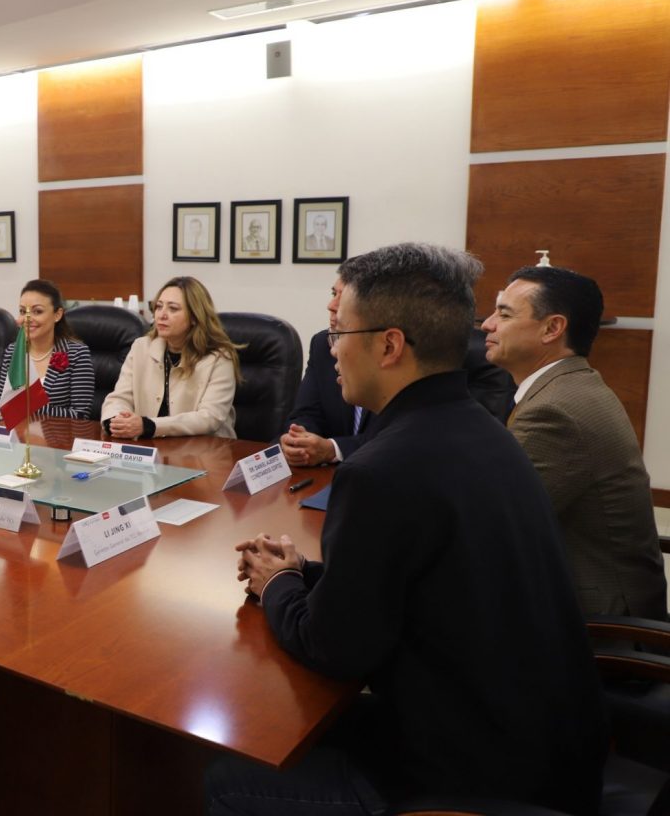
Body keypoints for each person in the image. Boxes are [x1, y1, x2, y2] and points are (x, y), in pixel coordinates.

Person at [215, 243, 606, 814]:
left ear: (389, 345)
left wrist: (276, 585)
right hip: (547, 748)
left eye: (340, 333)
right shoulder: (484, 430)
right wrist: (301, 571)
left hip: (469, 782)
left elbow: (334, 649)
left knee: (223, 771)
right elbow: (420, 581)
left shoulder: (382, 470)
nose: (331, 350)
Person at [483, 265, 666, 619]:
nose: (487, 325)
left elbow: (492, 522)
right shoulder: (571, 385)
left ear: (552, 328)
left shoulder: (556, 411)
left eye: (504, 314)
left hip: (600, 625)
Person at [282, 274, 514, 467]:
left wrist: (332, 448)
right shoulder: (322, 343)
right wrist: (300, 442)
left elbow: (412, 438)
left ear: (390, 346)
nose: (331, 305)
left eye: (343, 298)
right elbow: (304, 413)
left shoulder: (422, 360)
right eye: (334, 293)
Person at [101, 276, 240, 438]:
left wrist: (148, 426)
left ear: (194, 317)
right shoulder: (141, 347)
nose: (161, 315)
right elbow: (119, 398)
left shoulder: (219, 358)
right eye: (158, 307)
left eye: (173, 309)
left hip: (205, 447)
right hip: (151, 445)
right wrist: (116, 421)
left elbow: (209, 417)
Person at [0, 279, 94, 419]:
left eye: (37, 311)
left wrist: (28, 406)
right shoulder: (13, 351)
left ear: (57, 315)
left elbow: (81, 415)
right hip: (15, 431)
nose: (27, 318)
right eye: (22, 311)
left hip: (57, 432)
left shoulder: (76, 354)